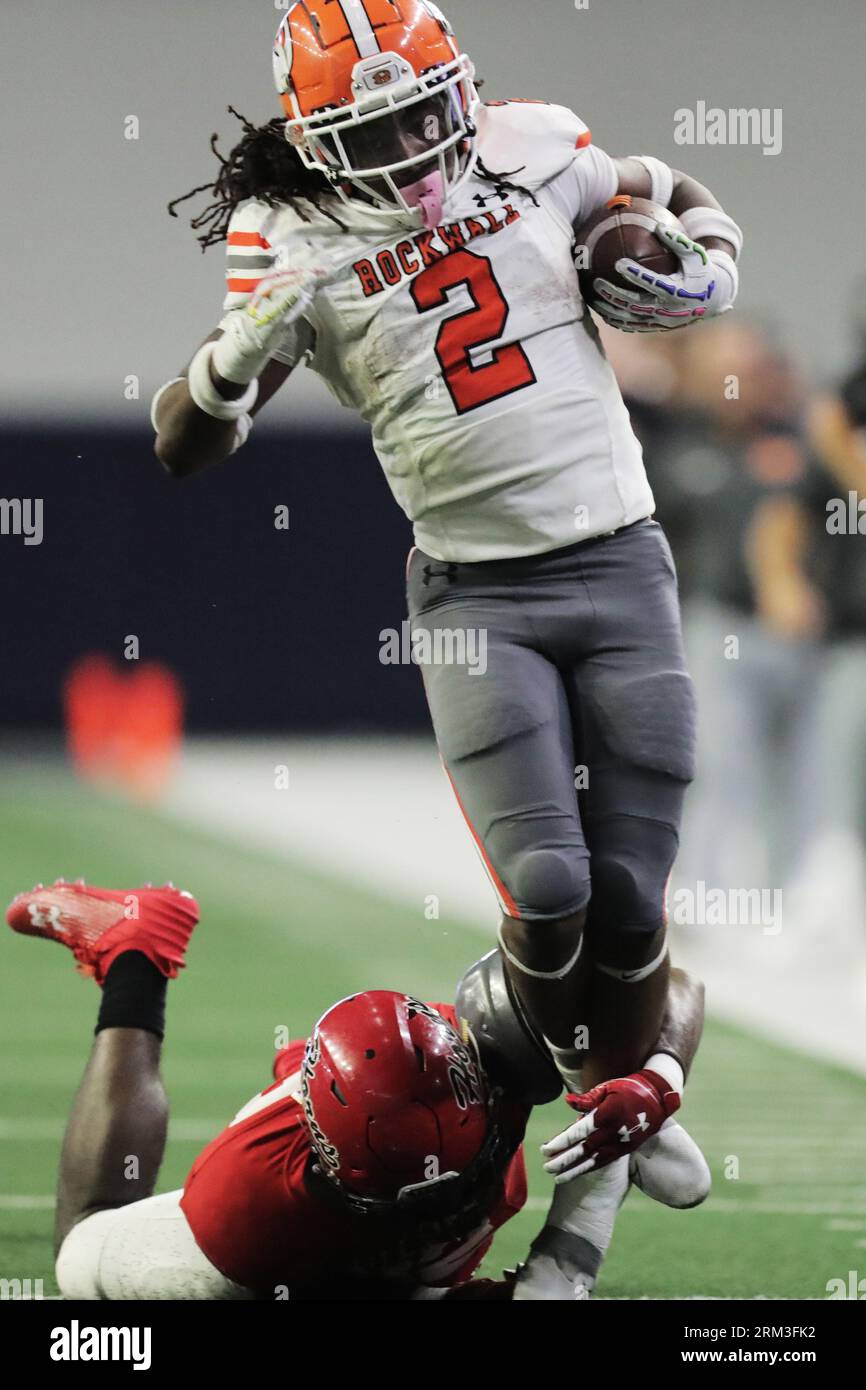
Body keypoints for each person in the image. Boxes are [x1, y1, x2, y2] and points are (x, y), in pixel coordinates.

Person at [152, 0, 741, 1272]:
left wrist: (708, 257)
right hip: (479, 592)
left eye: (427, 111)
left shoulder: (531, 143)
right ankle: (599, 1097)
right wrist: (229, 362)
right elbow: (181, 443)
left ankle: (615, 1112)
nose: (419, 148)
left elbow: (663, 182)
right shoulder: (284, 233)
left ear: (463, 90)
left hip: (621, 560)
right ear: (315, 137)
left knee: (633, 898)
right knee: (549, 891)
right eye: (380, 129)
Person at [8, 877, 710, 1301]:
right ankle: (137, 950)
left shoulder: (494, 1049)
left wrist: (651, 1081)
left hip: (358, 1167)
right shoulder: (248, 1219)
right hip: (290, 1241)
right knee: (84, 1261)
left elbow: (676, 984)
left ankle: (136, 949)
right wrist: (568, 1254)